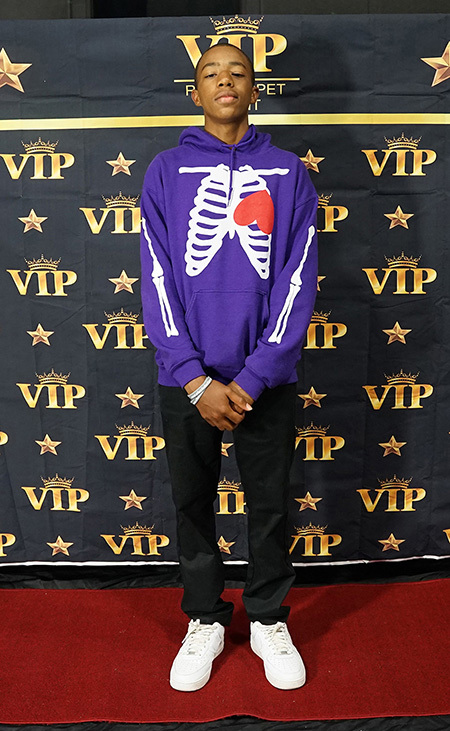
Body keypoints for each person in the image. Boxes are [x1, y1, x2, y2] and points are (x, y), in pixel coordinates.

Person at [140, 42, 318, 692]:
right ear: (195, 93)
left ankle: (268, 616)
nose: (225, 81)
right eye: (211, 73)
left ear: (254, 91)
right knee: (192, 503)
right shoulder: (165, 171)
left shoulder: (288, 172)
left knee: (269, 505)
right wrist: (193, 377)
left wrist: (254, 373)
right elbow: (156, 275)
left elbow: (298, 277)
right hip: (187, 377)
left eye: (237, 72)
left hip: (264, 376)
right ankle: (205, 617)